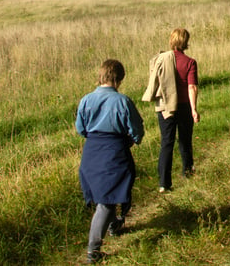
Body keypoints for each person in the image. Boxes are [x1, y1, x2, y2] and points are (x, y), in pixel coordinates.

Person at [76, 59, 145, 264]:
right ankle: (93, 250)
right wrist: (132, 140)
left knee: (105, 194)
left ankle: (114, 225)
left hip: (91, 152)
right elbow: (136, 130)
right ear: (119, 79)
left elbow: (81, 129)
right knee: (106, 201)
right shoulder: (123, 101)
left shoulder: (86, 100)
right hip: (114, 152)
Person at [156, 28, 200, 192]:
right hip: (183, 106)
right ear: (186, 42)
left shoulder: (161, 59)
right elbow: (192, 87)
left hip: (164, 107)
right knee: (185, 141)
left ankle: (163, 183)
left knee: (166, 142)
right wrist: (194, 109)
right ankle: (187, 172)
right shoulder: (189, 62)